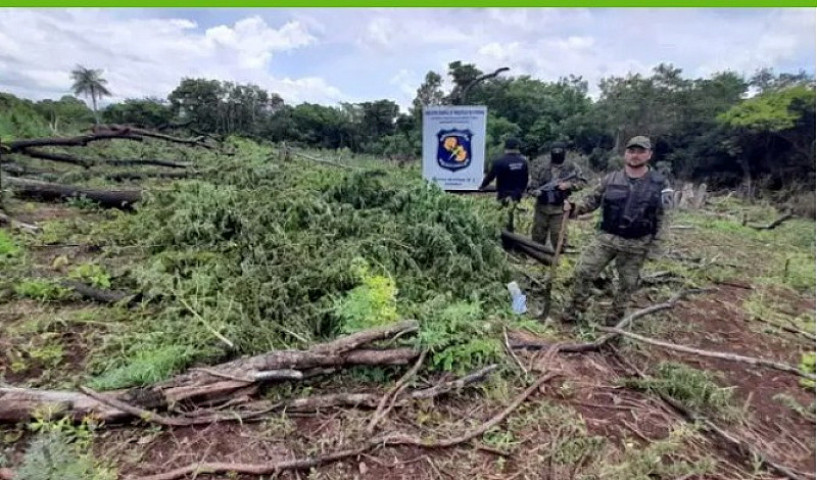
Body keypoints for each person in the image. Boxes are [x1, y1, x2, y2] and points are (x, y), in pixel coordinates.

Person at [562, 135, 667, 325]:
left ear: (649, 154)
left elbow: (662, 217)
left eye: (640, 151)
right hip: (607, 238)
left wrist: (656, 247)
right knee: (583, 271)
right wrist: (574, 208)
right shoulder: (611, 178)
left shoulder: (659, 184)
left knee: (627, 284)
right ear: (625, 154)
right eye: (631, 151)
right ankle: (575, 310)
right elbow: (592, 200)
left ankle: (614, 321)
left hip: (637, 243)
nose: (635, 155)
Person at [529, 141, 586, 250]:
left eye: (559, 152)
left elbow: (583, 182)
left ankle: (558, 258)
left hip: (560, 208)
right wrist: (535, 192)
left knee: (558, 237)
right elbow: (533, 185)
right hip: (542, 207)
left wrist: (569, 185)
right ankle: (536, 256)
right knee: (538, 236)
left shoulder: (572, 167)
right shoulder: (542, 167)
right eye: (555, 152)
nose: (557, 154)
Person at [479, 137, 529, 204]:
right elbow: (525, 178)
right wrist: (521, 190)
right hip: (517, 194)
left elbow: (490, 176)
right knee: (513, 211)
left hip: (503, 194)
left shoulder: (499, 161)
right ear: (517, 148)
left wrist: (483, 186)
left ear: (505, 147)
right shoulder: (523, 162)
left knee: (503, 211)